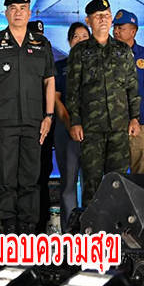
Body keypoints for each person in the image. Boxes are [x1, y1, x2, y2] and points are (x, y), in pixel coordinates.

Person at [0, 0, 55, 234]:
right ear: (6, 13)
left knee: (31, 176)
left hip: (34, 120)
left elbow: (49, 80)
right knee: (6, 175)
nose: (18, 13)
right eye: (13, 8)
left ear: (29, 13)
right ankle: (9, 225)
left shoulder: (41, 44)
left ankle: (28, 226)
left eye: (23, 8)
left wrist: (49, 116)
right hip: (5, 120)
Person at [67, 0, 139, 207]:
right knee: (92, 183)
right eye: (98, 16)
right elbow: (73, 91)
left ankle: (114, 227)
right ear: (88, 20)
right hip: (91, 130)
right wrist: (75, 122)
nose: (103, 20)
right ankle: (92, 227)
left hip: (119, 129)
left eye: (107, 16)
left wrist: (134, 118)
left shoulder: (123, 50)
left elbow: (132, 88)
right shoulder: (80, 52)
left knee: (118, 183)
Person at [54, 22, 91, 229]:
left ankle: (91, 230)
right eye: (76, 36)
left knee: (91, 182)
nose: (81, 40)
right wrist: (70, 124)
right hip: (66, 130)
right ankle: (69, 233)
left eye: (85, 36)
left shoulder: (98, 65)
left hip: (92, 131)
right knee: (68, 182)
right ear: (69, 41)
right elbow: (55, 98)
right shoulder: (61, 67)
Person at [113, 9, 144, 174]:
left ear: (133, 31)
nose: (116, 31)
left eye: (121, 28)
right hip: (114, 125)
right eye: (115, 27)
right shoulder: (107, 55)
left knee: (141, 172)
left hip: (141, 124)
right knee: (114, 175)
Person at [27, 20, 55, 233]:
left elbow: (51, 88)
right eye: (33, 37)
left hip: (43, 125)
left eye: (40, 37)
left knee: (42, 176)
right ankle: (23, 226)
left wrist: (48, 116)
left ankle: (40, 226)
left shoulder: (47, 59)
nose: (37, 41)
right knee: (23, 177)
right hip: (21, 124)